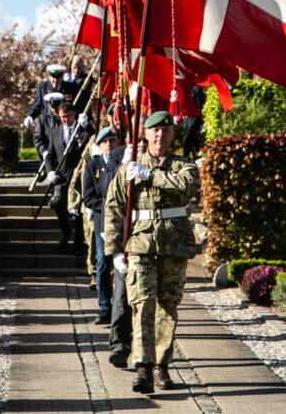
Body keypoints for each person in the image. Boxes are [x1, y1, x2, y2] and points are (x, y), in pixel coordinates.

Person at [104, 111, 200, 393]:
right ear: (145, 134)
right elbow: (112, 210)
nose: (160, 135)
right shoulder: (128, 170)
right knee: (142, 306)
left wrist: (152, 176)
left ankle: (162, 366)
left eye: (165, 131)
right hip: (140, 247)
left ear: (172, 135)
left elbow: (187, 187)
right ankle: (143, 368)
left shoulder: (185, 165)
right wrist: (114, 252)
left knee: (167, 307)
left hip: (174, 245)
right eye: (154, 131)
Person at [105, 118, 145, 369]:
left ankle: (148, 357)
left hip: (151, 246)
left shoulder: (165, 165)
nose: (141, 144)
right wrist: (115, 251)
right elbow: (111, 206)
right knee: (121, 298)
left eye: (145, 138)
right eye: (138, 139)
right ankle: (119, 345)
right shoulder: (120, 158)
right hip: (126, 244)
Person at [82, 126, 121, 324]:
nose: (109, 145)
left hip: (123, 222)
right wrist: (108, 207)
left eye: (112, 141)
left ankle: (122, 307)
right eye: (105, 142)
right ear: (98, 145)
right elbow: (88, 197)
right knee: (103, 265)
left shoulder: (124, 164)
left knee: (123, 266)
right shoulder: (92, 167)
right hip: (103, 223)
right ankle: (104, 308)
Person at [42, 100, 94, 247]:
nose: (65, 119)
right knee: (58, 204)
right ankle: (65, 232)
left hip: (79, 176)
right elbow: (50, 156)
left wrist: (87, 127)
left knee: (78, 210)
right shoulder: (55, 132)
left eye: (68, 116)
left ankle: (78, 242)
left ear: (74, 114)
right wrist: (50, 171)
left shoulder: (82, 130)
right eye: (62, 116)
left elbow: (93, 141)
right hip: (62, 176)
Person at [181, 84, 206, 160]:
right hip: (189, 116)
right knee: (192, 137)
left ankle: (187, 156)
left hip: (194, 115)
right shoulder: (189, 87)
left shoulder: (197, 88)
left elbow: (200, 104)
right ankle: (195, 156)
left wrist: (202, 120)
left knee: (189, 135)